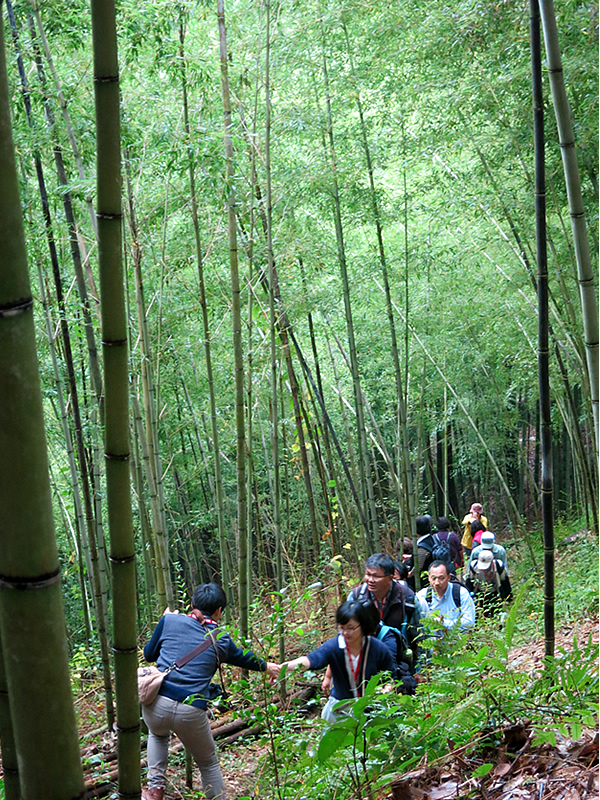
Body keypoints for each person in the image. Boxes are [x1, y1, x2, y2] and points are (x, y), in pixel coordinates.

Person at [141, 583, 280, 800]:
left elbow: (149, 654)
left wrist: (163, 620)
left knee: (158, 735)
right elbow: (243, 658)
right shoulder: (221, 639)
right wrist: (268, 666)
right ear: (218, 611)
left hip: (156, 704)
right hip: (191, 710)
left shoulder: (169, 620)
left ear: (192, 603)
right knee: (207, 764)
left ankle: (154, 791)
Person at [284, 599, 394, 722]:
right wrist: (284, 668)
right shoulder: (334, 646)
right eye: (341, 628)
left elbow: (391, 675)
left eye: (351, 628)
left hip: (370, 710)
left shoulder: (378, 648)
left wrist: (386, 689)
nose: (346, 633)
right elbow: (312, 659)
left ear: (362, 625)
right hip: (339, 710)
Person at [348, 553, 422, 654]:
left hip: (399, 658)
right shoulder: (356, 597)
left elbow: (420, 636)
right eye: (368, 574)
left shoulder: (408, 599)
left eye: (376, 576)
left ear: (390, 578)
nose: (370, 580)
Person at [417, 561, 476, 633]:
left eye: (441, 578)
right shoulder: (422, 596)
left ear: (448, 577)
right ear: (429, 578)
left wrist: (443, 623)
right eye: (433, 578)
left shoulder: (460, 593)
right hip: (432, 642)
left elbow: (469, 623)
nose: (437, 582)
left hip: (457, 641)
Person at [465, 550, 512, 617]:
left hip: (495, 593)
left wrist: (508, 597)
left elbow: (505, 582)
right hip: (480, 593)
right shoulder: (474, 566)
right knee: (482, 613)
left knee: (496, 613)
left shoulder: (499, 566)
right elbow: (469, 582)